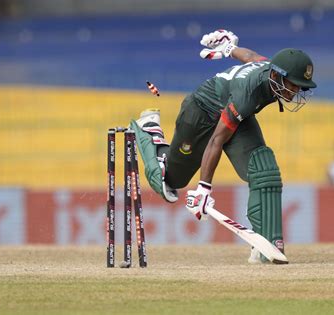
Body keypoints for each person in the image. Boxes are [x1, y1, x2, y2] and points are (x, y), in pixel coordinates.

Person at [130, 29, 317, 264]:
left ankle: (266, 244)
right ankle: (149, 132)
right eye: (294, 85)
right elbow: (217, 139)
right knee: (169, 181)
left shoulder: (270, 68)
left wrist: (229, 49)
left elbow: (251, 57)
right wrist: (204, 189)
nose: (297, 91)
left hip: (235, 114)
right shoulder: (247, 93)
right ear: (277, 76)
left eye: (301, 86)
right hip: (201, 111)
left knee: (264, 170)